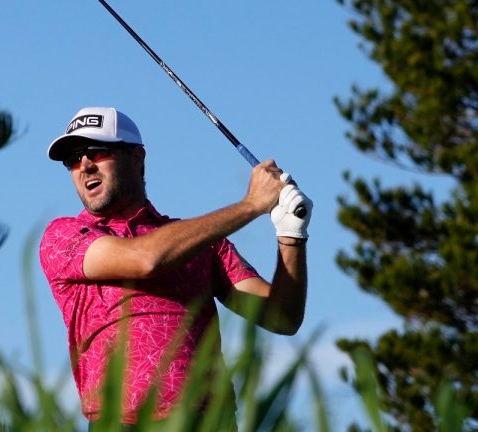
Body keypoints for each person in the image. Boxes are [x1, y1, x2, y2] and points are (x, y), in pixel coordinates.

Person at [39, 107, 313, 428]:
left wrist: (291, 235)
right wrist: (251, 204)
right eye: (72, 159)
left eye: (97, 152)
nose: (84, 166)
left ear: (137, 158)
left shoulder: (201, 241)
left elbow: (282, 316)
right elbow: (146, 259)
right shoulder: (64, 235)